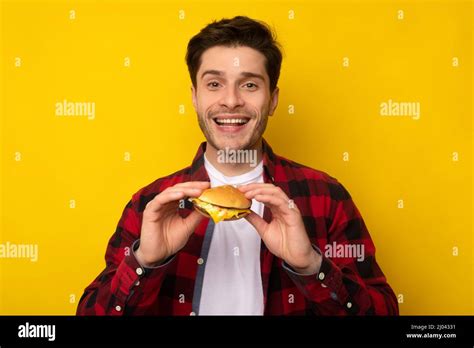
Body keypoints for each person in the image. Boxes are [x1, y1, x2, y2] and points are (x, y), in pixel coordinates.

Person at [77, 16, 399, 316]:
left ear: (272, 99)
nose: (231, 101)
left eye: (249, 85)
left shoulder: (327, 197)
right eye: (214, 84)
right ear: (194, 97)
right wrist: (144, 262)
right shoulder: (151, 204)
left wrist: (312, 266)